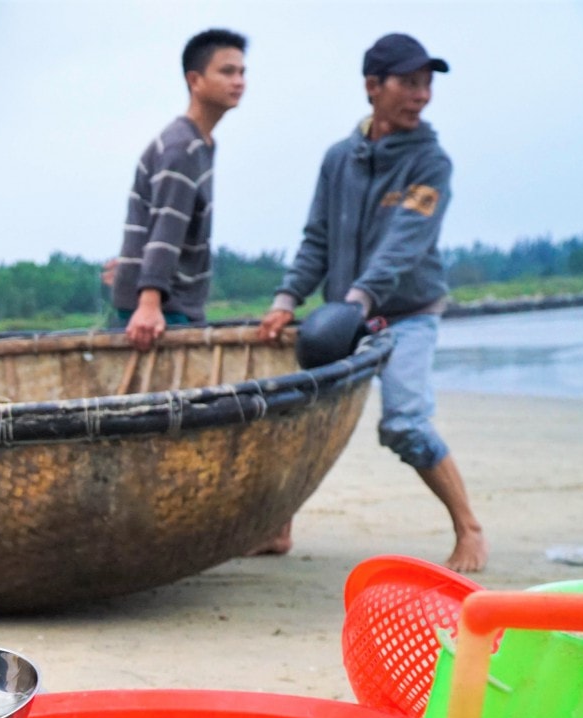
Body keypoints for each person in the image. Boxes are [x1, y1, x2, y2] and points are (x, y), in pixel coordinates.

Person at [256, 34, 487, 572]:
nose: (422, 95)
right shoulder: (339, 159)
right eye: (409, 83)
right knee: (301, 416)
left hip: (407, 315)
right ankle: (278, 528)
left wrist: (356, 304)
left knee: (405, 423)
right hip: (346, 314)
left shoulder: (431, 162)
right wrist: (286, 299)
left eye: (427, 84)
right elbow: (316, 237)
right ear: (372, 87)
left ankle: (469, 528)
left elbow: (406, 241)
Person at [111, 28, 246, 352]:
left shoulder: (201, 143)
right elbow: (165, 228)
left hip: (172, 302)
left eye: (242, 72)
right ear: (195, 80)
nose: (239, 81)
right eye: (227, 71)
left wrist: (132, 265)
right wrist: (149, 301)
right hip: (161, 310)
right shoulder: (181, 147)